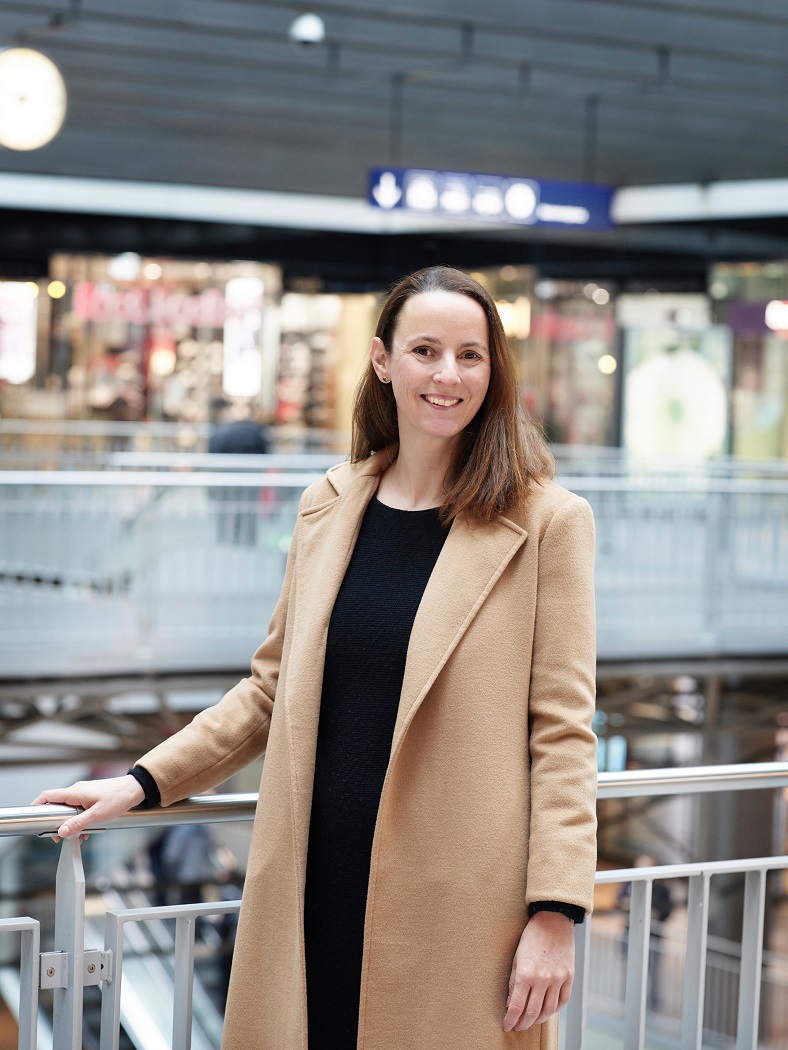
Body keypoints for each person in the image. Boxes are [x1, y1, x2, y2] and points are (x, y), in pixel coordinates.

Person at [34, 266, 598, 1050]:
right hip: (311, 882)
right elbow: (270, 690)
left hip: (457, 904)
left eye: (471, 356)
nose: (448, 375)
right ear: (381, 360)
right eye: (426, 350)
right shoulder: (330, 503)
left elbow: (564, 733)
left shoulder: (547, 524)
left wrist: (556, 913)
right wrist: (142, 781)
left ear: (494, 372)